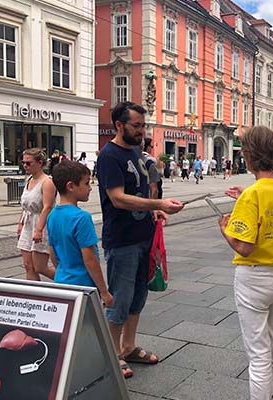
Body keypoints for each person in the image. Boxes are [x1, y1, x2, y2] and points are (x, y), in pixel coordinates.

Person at [96, 101, 184, 379]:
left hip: (144, 236)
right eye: (136, 126)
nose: (142, 131)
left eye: (143, 126)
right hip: (122, 240)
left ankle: (129, 346)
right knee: (119, 299)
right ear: (119, 125)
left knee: (138, 296)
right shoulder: (109, 155)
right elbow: (117, 198)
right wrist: (156, 202)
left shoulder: (135, 151)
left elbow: (141, 190)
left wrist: (155, 209)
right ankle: (112, 354)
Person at [218, 126, 273, 400]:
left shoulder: (253, 195)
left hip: (254, 280)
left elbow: (245, 247)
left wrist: (226, 232)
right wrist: (246, 196)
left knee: (259, 356)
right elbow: (271, 206)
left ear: (249, 157)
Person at [47, 161, 114, 308]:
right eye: (86, 184)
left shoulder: (52, 216)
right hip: (83, 286)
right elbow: (89, 259)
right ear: (71, 186)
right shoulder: (81, 217)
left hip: (62, 281)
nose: (90, 188)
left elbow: (52, 252)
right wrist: (104, 291)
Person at [16, 148, 57, 282]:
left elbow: (48, 207)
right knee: (28, 266)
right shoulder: (28, 180)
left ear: (40, 163)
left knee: (40, 267)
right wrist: (20, 224)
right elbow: (25, 206)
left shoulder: (47, 182)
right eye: (23, 162)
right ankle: (33, 298)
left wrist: (39, 230)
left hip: (41, 223)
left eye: (29, 163)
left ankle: (69, 283)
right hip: (28, 223)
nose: (25, 166)